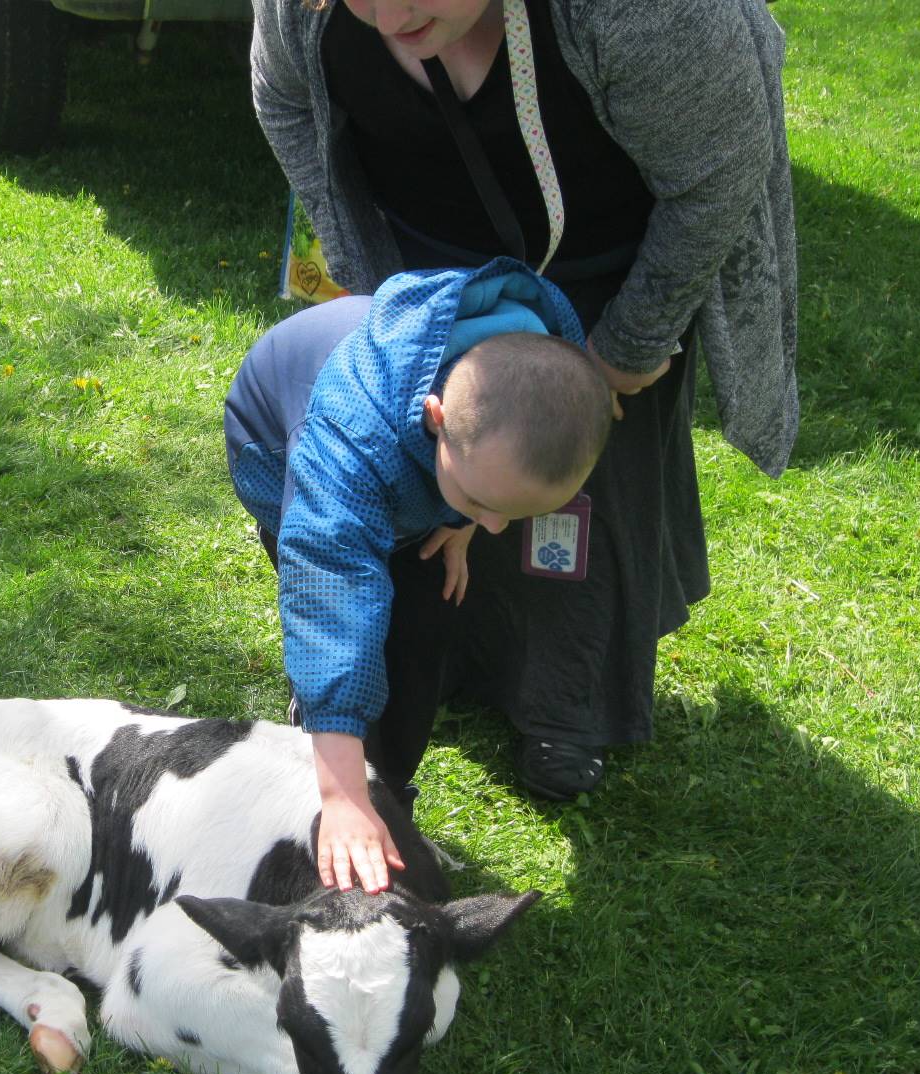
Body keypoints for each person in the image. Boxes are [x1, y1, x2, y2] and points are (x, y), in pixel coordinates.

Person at [249, 0, 798, 804]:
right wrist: (385, 301)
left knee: (568, 504)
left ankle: (564, 709)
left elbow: (716, 173)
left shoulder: (645, 16)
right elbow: (284, 98)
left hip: (605, 277)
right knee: (429, 503)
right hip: (428, 260)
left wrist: (620, 353)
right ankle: (427, 673)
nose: (391, 14)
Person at [226, 259, 611, 891]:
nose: (493, 530)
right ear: (437, 418)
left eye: (511, 514)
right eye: (481, 506)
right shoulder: (342, 445)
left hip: (414, 473)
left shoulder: (538, 386)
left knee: (421, 629)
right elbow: (331, 603)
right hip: (278, 455)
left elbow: (487, 484)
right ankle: (331, 776)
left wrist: (460, 517)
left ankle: (387, 793)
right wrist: (342, 793)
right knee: (358, 631)